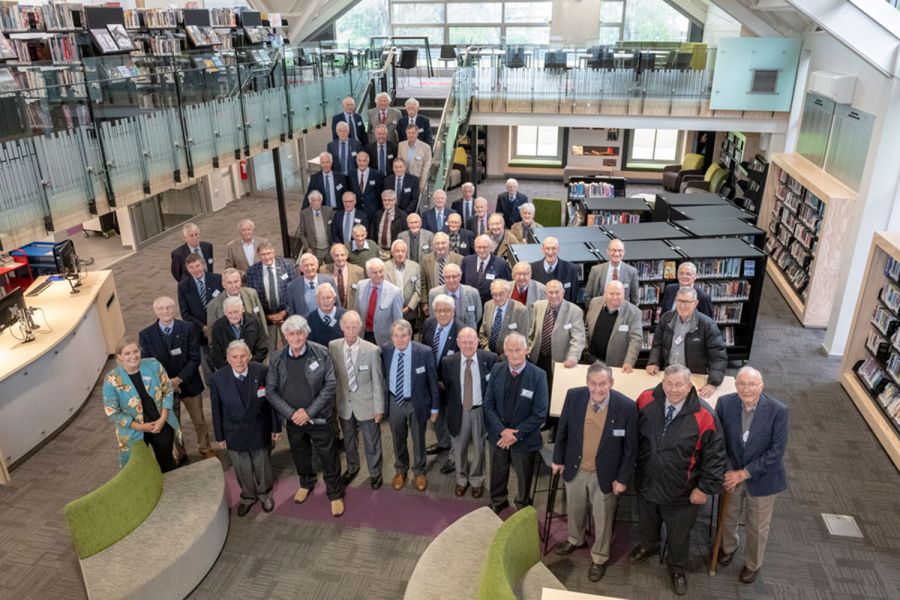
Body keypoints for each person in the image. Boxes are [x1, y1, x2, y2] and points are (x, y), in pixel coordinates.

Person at [630, 365, 726, 596]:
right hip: (647, 479)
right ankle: (649, 545)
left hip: (682, 491)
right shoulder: (645, 400)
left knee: (679, 534)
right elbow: (633, 436)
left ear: (690, 385)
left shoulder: (705, 416)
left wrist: (704, 488)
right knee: (647, 521)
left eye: (679, 385)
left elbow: (715, 457)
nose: (673, 390)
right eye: (669, 384)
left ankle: (677, 567)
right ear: (663, 383)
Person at [552, 362, 637, 582]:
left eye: (603, 384)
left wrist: (622, 478)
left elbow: (630, 449)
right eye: (593, 384)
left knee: (603, 518)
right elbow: (562, 430)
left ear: (611, 383)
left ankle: (599, 557)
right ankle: (575, 539)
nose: (598, 389)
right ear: (587, 382)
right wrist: (558, 460)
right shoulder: (574, 396)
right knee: (575, 508)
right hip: (575, 467)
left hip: (606, 474)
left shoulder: (626, 407)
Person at [715, 366, 789, 585]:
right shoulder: (725, 403)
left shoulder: (778, 410)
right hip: (730, 474)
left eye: (752, 384)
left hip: (763, 478)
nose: (746, 389)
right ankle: (728, 548)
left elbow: (776, 452)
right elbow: (718, 442)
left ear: (761, 386)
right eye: (741, 384)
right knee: (728, 517)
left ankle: (752, 564)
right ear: (736, 385)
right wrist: (729, 470)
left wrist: (744, 474)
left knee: (757, 526)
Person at [266, 315, 345, 517]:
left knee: (329, 457)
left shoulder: (321, 353)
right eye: (291, 333)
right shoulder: (276, 358)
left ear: (306, 333)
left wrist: (308, 412)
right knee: (300, 454)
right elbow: (271, 391)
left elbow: (330, 385)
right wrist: (293, 414)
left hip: (319, 417)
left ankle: (335, 493)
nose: (296, 337)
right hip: (293, 420)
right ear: (285, 336)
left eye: (300, 333)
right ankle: (306, 482)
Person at [209, 340, 282, 516]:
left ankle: (266, 495)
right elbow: (215, 410)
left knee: (262, 464)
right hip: (234, 431)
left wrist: (276, 428)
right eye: (235, 357)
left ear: (249, 356)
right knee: (241, 467)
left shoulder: (262, 371)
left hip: (259, 427)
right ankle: (248, 496)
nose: (239, 360)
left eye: (243, 356)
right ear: (228, 359)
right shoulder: (217, 378)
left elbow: (272, 403)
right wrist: (220, 437)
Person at [139, 296, 212, 460]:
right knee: (173, 423)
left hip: (189, 383)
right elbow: (148, 365)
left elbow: (195, 358)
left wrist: (179, 379)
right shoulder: (146, 335)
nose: (165, 311)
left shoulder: (187, 328)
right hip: (165, 388)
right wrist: (168, 382)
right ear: (155, 311)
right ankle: (180, 453)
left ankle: (205, 448)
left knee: (199, 420)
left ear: (174, 309)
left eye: (168, 308)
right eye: (161, 308)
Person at [483, 333, 547, 514]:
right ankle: (498, 500)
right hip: (499, 434)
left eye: (518, 350)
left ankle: (523, 504)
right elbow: (488, 405)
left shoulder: (538, 375)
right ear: (504, 351)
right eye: (510, 350)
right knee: (497, 470)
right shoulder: (497, 369)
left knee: (524, 475)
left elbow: (540, 414)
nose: (514, 354)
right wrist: (503, 431)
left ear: (526, 350)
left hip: (524, 438)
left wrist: (515, 434)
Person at [102, 337, 181, 471]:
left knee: (167, 463)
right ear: (119, 356)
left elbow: (167, 390)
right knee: (139, 468)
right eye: (127, 353)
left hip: (161, 425)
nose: (133, 356)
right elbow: (112, 413)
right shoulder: (112, 380)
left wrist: (162, 419)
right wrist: (140, 426)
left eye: (135, 351)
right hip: (133, 431)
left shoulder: (154, 365)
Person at [381, 319, 439, 492]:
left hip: (417, 402)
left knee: (418, 438)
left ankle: (419, 471)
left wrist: (435, 407)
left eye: (404, 336)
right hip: (394, 402)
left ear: (410, 335)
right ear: (391, 337)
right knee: (397, 439)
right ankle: (401, 470)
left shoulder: (424, 352)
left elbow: (433, 382)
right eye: (396, 336)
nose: (400, 340)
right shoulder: (386, 350)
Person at [329, 310, 385, 489]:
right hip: (345, 404)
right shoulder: (333, 346)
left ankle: (375, 472)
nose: (351, 331)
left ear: (360, 327)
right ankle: (352, 467)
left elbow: (378, 382)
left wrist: (379, 408)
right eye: (348, 327)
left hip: (367, 404)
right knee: (349, 440)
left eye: (355, 327)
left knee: (372, 442)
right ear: (341, 327)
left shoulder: (372, 350)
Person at [440, 327, 496, 498]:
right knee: (459, 447)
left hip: (480, 411)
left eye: (471, 342)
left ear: (477, 342)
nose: (467, 345)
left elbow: (494, 387)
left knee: (479, 447)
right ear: (458, 343)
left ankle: (477, 480)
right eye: (463, 342)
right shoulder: (448, 362)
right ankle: (461, 479)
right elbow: (445, 389)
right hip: (459, 411)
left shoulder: (490, 358)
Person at [647, 286, 728, 399]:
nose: (682, 305)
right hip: (668, 373)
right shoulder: (666, 318)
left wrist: (713, 383)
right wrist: (653, 362)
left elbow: (719, 357)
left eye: (686, 302)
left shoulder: (707, 325)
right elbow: (657, 344)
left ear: (695, 303)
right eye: (679, 301)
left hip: (692, 376)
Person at [422, 294, 465, 471]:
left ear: (453, 311)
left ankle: (455, 456)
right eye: (438, 310)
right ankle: (443, 442)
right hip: (432, 382)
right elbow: (424, 350)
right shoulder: (429, 324)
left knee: (455, 421)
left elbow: (463, 362)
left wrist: (444, 382)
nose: (442, 314)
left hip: (452, 384)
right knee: (437, 415)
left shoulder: (461, 330)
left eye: (446, 310)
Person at [527, 280, 586, 388]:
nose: (554, 295)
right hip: (537, 358)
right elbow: (532, 331)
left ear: (563, 292)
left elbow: (578, 338)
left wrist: (573, 357)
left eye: (557, 292)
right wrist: (529, 348)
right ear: (545, 293)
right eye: (550, 292)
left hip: (560, 360)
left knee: (553, 391)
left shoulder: (574, 311)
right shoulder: (537, 306)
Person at [245, 242, 295, 354]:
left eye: (269, 253)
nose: (267, 257)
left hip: (286, 314)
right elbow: (253, 298)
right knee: (270, 349)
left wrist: (286, 311)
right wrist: (266, 316)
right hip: (266, 316)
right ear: (258, 256)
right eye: (263, 254)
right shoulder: (252, 271)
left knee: (291, 344)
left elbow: (293, 289)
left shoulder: (286, 265)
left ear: (274, 252)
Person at [177, 252, 223, 373]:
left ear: (203, 265)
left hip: (220, 328)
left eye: (197, 265)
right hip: (200, 332)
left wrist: (215, 325)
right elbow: (185, 313)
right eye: (191, 267)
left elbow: (225, 303)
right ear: (187, 269)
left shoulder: (217, 279)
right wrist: (203, 327)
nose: (195, 270)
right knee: (206, 363)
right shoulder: (183, 286)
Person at [584, 280, 642, 371]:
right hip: (591, 360)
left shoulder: (634, 313)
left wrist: (629, 362)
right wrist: (584, 348)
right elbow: (586, 328)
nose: (615, 297)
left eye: (618, 294)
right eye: (611, 294)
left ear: (624, 294)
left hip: (615, 364)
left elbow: (636, 339)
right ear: (605, 293)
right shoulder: (594, 303)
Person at [209, 296, 268, 371]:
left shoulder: (254, 321)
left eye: (236, 312)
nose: (233, 316)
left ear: (243, 309)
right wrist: (231, 370)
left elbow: (262, 347)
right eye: (230, 313)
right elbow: (216, 355)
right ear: (224, 312)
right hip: (229, 371)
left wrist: (248, 366)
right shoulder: (218, 327)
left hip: (253, 368)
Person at [356, 258, 404, 345]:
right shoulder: (361, 286)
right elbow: (356, 312)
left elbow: (398, 321)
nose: (379, 275)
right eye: (375, 272)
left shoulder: (395, 292)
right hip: (363, 336)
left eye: (381, 271)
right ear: (368, 274)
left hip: (384, 340)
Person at [479, 279, 531, 357]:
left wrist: (507, 355)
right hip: (489, 355)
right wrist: (487, 350)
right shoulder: (488, 305)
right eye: (494, 294)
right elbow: (483, 333)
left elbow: (523, 340)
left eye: (501, 294)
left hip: (510, 357)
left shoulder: (520, 310)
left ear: (508, 294)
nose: (497, 298)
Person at [206, 267, 266, 332]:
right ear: (223, 284)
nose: (234, 285)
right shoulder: (213, 305)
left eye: (236, 281)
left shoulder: (252, 294)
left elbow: (262, 320)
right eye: (229, 283)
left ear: (241, 281)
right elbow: (212, 333)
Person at [584, 238, 640, 305]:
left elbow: (635, 299)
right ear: (608, 251)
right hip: (600, 311)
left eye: (620, 250)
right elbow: (587, 296)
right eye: (613, 250)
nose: (616, 254)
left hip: (622, 313)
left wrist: (627, 314)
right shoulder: (595, 270)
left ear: (624, 252)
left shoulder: (632, 272)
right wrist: (594, 311)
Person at [427, 263, 482, 329]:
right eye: (447, 277)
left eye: (454, 276)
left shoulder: (473, 293)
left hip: (466, 335)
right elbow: (433, 316)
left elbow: (478, 315)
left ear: (460, 277)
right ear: (443, 278)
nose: (451, 280)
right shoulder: (434, 294)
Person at [285, 253, 339, 318]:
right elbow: (292, 313)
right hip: (304, 325)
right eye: (305, 266)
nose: (309, 268)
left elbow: (337, 305)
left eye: (312, 265)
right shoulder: (292, 286)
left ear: (317, 266)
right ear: (301, 268)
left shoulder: (329, 280)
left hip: (328, 323)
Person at [420, 232, 463, 311]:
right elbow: (423, 283)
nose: (440, 246)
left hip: (454, 301)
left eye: (443, 243)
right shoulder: (426, 260)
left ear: (449, 244)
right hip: (434, 301)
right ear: (433, 245)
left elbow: (463, 282)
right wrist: (424, 302)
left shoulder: (459, 259)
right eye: (437, 243)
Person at [462, 235, 512, 303]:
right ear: (475, 248)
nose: (482, 250)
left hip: (491, 304)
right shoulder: (467, 261)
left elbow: (508, 285)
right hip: (470, 302)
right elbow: (462, 282)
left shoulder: (501, 264)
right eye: (479, 247)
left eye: (485, 247)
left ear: (491, 248)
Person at [530, 236, 580, 304]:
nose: (550, 252)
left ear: (558, 249)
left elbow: (573, 297)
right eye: (547, 248)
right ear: (542, 250)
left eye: (553, 248)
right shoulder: (532, 268)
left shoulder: (571, 269)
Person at [384, 239, 421, 323]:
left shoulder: (415, 267)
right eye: (397, 251)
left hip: (410, 313)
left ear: (406, 253)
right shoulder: (384, 267)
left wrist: (409, 308)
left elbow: (418, 291)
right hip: (390, 313)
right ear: (392, 253)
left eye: (403, 251)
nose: (400, 254)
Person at [319, 244, 363, 310]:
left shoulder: (358, 271)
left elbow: (361, 294)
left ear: (347, 256)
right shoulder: (323, 270)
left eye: (342, 255)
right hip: (331, 309)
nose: (340, 258)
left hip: (351, 310)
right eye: (336, 255)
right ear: (332, 257)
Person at [297, 190, 334, 262]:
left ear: (321, 201)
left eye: (318, 200)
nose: (317, 203)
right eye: (314, 201)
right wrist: (307, 247)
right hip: (314, 250)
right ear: (310, 202)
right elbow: (302, 233)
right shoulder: (304, 214)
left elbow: (334, 228)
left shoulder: (328, 210)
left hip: (329, 248)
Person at [397, 124, 432, 192]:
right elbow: (399, 164)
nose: (411, 135)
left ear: (417, 133)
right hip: (404, 181)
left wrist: (422, 184)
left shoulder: (426, 148)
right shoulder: (401, 145)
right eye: (409, 133)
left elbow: (426, 168)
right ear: (406, 134)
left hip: (418, 182)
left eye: (413, 133)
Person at [350, 151, 382, 216]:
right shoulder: (351, 174)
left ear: (368, 162)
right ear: (356, 161)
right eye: (359, 160)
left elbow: (379, 192)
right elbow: (351, 190)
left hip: (372, 211)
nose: (361, 163)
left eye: (364, 161)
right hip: (357, 210)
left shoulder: (375, 174)